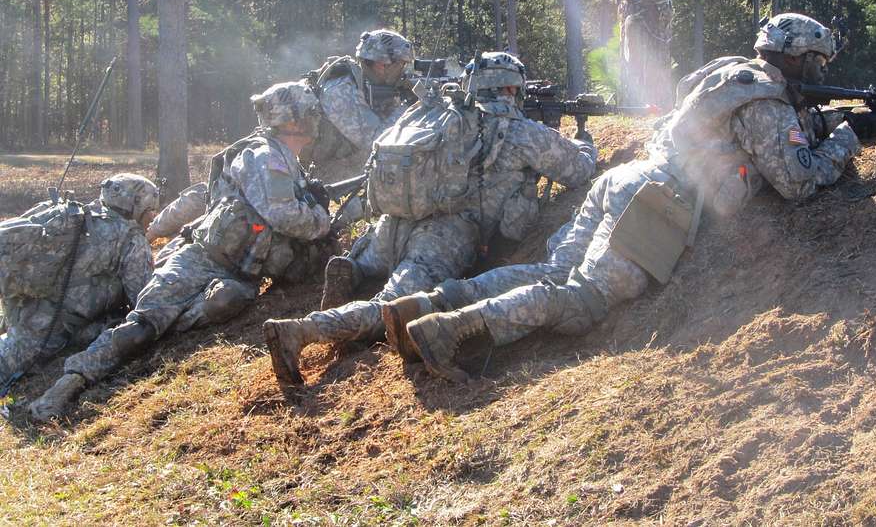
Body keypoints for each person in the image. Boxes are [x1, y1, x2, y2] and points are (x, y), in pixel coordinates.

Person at [384, 13, 866, 383]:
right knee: (584, 299)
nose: (819, 73)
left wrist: (820, 121)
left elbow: (764, 135)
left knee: (553, 271)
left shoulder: (728, 77)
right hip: (660, 202)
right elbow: (797, 182)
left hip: (627, 179)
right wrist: (847, 139)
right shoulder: (766, 99)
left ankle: (432, 302)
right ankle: (454, 329)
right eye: (817, 63)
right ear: (798, 58)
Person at [262, 51, 598, 392]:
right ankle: (301, 330)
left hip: (392, 224)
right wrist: (585, 141)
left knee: (381, 270)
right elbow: (577, 170)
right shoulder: (519, 131)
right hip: (443, 236)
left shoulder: (439, 115)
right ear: (512, 90)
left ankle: (358, 267)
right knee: (388, 308)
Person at [29, 81, 333, 421]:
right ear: (292, 120)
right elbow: (284, 215)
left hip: (240, 274)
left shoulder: (286, 161)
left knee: (225, 300)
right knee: (140, 327)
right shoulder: (264, 157)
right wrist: (324, 218)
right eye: (310, 113)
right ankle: (64, 388)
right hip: (198, 260)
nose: (316, 120)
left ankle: (155, 328)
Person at [0, 174, 158, 387]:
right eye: (150, 210)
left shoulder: (81, 217)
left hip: (23, 313)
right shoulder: (131, 241)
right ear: (135, 206)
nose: (153, 217)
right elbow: (144, 301)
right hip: (45, 337)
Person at [306, 29, 415, 184]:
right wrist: (408, 108)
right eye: (401, 65)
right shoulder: (340, 90)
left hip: (346, 165)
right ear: (381, 65)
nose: (404, 71)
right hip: (321, 174)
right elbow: (375, 142)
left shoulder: (366, 84)